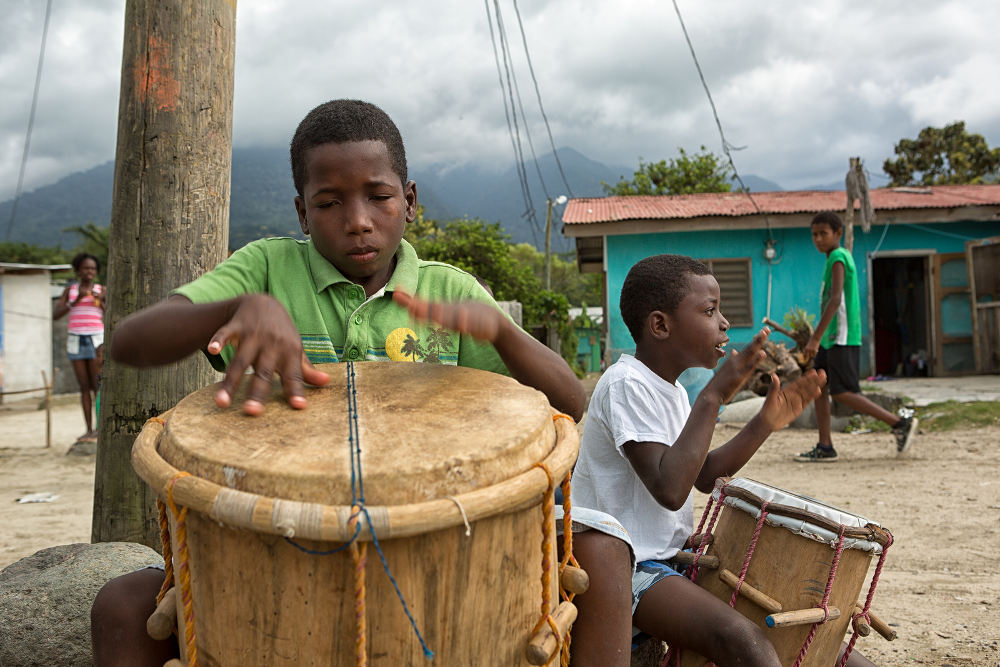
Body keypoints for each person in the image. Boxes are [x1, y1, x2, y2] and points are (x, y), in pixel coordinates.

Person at [92, 99, 585, 666]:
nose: (358, 219)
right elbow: (130, 343)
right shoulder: (267, 270)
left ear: (411, 201)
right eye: (329, 203)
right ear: (303, 214)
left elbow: (570, 404)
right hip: (273, 540)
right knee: (121, 606)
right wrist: (237, 306)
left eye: (379, 197)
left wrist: (500, 331)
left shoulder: (448, 292)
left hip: (430, 546)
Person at [570, 254, 830, 666]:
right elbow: (670, 488)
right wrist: (713, 396)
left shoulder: (671, 392)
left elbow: (703, 475)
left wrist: (763, 425)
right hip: (627, 571)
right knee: (745, 642)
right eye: (710, 311)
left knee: (802, 631)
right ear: (660, 325)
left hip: (667, 562)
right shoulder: (625, 384)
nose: (724, 323)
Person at [795, 211, 918, 463]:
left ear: (838, 234)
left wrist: (814, 338)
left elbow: (835, 300)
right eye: (814, 235)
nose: (818, 239)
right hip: (831, 338)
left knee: (842, 392)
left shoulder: (839, 257)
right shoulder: (834, 259)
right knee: (817, 386)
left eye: (823, 234)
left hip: (840, 337)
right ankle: (825, 445)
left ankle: (898, 423)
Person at [53, 252, 105, 442]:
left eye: (92, 268)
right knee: (84, 387)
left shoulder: (101, 290)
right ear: (78, 270)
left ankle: (100, 429)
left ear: (96, 271)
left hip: (96, 340)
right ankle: (88, 429)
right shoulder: (70, 291)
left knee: (97, 386)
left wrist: (102, 300)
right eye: (86, 268)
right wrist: (76, 300)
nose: (89, 271)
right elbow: (56, 314)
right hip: (76, 339)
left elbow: (110, 312)